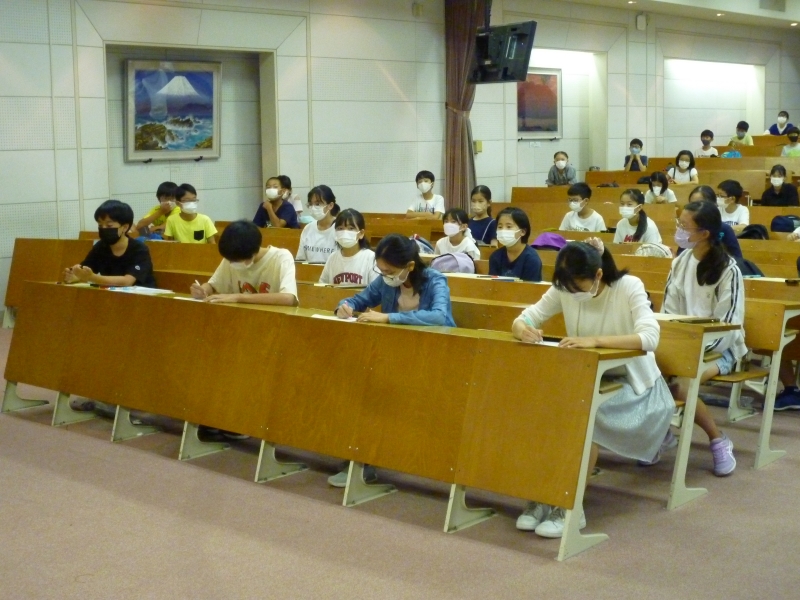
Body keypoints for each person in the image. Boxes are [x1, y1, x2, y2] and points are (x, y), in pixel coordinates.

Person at [512, 238, 673, 537]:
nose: (572, 293)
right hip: (588, 381)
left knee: (580, 418)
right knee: (542, 412)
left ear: (598, 275)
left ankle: (569, 506)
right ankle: (542, 496)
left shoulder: (628, 287)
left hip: (635, 389)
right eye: (567, 287)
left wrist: (595, 341)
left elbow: (650, 338)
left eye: (578, 287)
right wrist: (524, 331)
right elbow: (524, 318)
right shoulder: (565, 287)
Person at [328, 234, 456, 487]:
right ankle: (362, 459)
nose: (385, 275)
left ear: (410, 266)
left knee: (382, 396)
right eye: (382, 270)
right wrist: (344, 306)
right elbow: (358, 299)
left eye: (390, 271)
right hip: (396, 356)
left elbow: (439, 317)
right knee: (363, 390)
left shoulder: (435, 280)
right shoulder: (386, 281)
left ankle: (368, 458)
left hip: (435, 358)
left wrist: (389, 318)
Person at [662, 201, 745, 476]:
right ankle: (661, 435)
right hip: (683, 345)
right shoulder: (680, 262)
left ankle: (718, 440)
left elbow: (728, 327)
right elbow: (669, 312)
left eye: (684, 226)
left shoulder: (728, 270)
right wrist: (672, 347)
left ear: (704, 233)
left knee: (683, 385)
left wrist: (692, 351)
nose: (679, 230)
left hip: (721, 350)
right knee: (645, 376)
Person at [190, 220, 298, 306]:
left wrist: (238, 297)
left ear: (254, 251)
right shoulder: (232, 257)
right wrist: (204, 290)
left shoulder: (281, 257)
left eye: (238, 261)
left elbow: (288, 298)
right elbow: (213, 285)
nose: (232, 263)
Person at [63, 200, 156, 288]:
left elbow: (127, 282)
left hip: (141, 296)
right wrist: (75, 276)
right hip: (112, 295)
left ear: (125, 227)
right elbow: (85, 271)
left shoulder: (139, 249)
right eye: (100, 225)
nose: (103, 229)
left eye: (109, 225)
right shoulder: (100, 247)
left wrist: (92, 278)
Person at [319, 209, 377, 286]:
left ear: (361, 233)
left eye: (351, 228)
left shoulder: (371, 258)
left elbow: (376, 290)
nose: (345, 232)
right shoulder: (332, 258)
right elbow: (322, 286)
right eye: (340, 228)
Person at [687, 185, 743, 262]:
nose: (694, 209)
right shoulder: (687, 229)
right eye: (691, 205)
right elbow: (680, 256)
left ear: (713, 205)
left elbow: (738, 260)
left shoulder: (725, 229)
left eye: (699, 204)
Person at [489, 207, 542, 281]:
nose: (503, 230)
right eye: (500, 227)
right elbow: (492, 284)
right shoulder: (495, 256)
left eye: (509, 227)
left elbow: (530, 287)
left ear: (522, 232)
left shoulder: (532, 259)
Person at [296, 185, 339, 263]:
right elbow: (300, 260)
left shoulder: (339, 228)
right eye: (310, 204)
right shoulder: (308, 228)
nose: (313, 208)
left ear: (330, 205)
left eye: (317, 204)